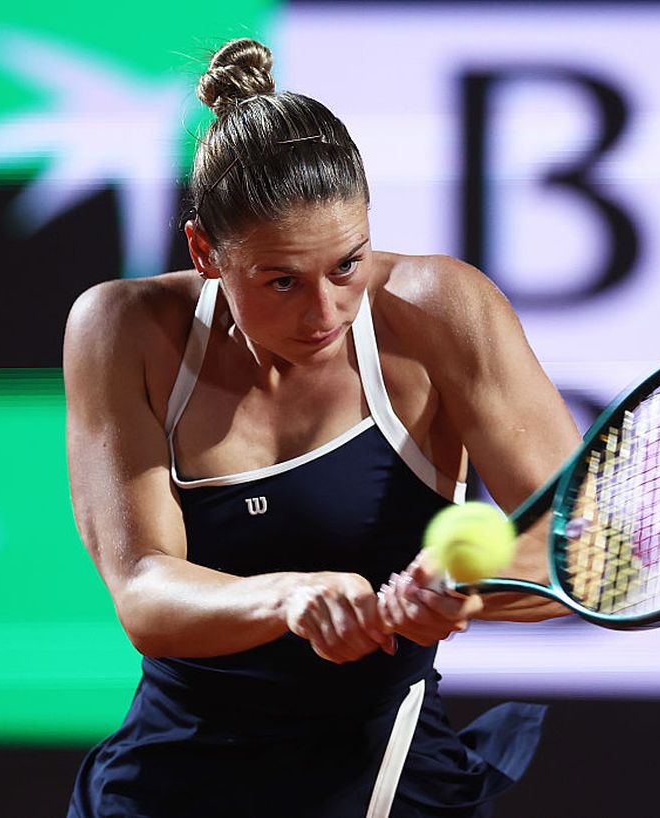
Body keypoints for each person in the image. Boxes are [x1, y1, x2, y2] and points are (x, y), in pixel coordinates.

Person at [63, 37, 581, 818]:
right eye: (281, 281)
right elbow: (142, 592)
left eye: (347, 264)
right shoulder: (119, 328)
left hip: (386, 779)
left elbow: (577, 550)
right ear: (205, 251)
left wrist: (464, 593)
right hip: (164, 782)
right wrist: (290, 598)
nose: (324, 312)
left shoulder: (444, 310)